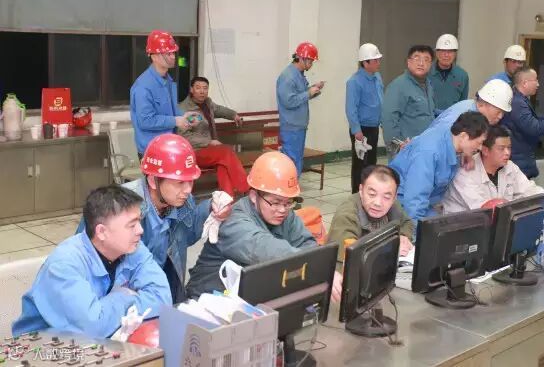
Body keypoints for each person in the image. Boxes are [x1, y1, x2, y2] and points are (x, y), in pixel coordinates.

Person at [77, 134, 224, 303]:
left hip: (161, 291)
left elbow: (185, 237)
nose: (187, 190)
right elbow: (85, 259)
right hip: (120, 299)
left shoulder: (182, 201)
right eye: (179, 183)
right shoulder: (116, 207)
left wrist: (210, 209)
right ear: (153, 181)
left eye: (191, 181)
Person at [13, 186, 171, 338]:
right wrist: (123, 296)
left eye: (139, 222)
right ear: (102, 232)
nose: (140, 230)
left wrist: (106, 309)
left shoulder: (133, 248)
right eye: (132, 225)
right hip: (44, 346)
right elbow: (93, 327)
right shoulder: (64, 265)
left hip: (101, 342)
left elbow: (163, 299)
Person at [186, 152, 319, 298]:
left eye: (288, 202)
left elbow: (308, 244)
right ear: (254, 196)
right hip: (208, 298)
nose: (282, 209)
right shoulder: (233, 220)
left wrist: (315, 262)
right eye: (275, 202)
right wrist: (314, 265)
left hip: (247, 294)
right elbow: (264, 249)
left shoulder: (286, 215)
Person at [389, 112, 489, 239]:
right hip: (401, 205)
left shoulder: (453, 141)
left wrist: (466, 153)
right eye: (479, 143)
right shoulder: (429, 152)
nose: (480, 148)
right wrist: (415, 239)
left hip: (426, 204)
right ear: (464, 136)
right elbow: (414, 202)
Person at [442, 125, 544, 213]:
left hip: (497, 223)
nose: (507, 153)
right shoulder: (465, 172)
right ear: (485, 150)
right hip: (464, 225)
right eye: (501, 148)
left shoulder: (510, 166)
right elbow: (485, 209)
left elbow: (530, 190)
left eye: (509, 147)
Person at [178, 76, 249, 197]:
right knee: (226, 152)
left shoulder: (208, 103)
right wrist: (208, 142)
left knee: (223, 164)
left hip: (211, 151)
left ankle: (226, 200)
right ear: (191, 89)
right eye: (198, 88)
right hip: (195, 152)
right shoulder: (184, 109)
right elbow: (184, 137)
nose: (202, 91)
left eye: (205, 88)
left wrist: (233, 115)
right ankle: (247, 189)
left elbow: (219, 110)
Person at [328, 165, 414, 263]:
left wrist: (403, 236)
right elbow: (350, 254)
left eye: (386, 197)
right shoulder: (347, 214)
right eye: (372, 194)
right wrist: (391, 248)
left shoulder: (393, 205)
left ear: (394, 197)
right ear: (361, 190)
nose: (378, 203)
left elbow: (406, 222)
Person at [130, 29, 195, 156]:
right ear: (154, 56)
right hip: (152, 150)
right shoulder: (143, 86)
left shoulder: (167, 80)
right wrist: (176, 121)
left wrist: (184, 116)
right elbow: (146, 121)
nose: (173, 57)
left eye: (173, 53)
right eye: (168, 53)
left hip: (169, 145)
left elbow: (168, 111)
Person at [276, 42, 325, 176]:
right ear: (301, 58)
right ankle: (289, 188)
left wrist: (314, 89)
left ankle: (293, 187)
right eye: (310, 61)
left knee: (296, 162)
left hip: (298, 127)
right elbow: (289, 101)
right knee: (291, 164)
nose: (311, 64)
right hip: (291, 128)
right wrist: (308, 93)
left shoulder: (298, 74)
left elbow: (300, 96)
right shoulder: (288, 76)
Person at [381, 45, 436, 160]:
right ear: (408, 62)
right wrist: (397, 148)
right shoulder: (398, 86)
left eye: (426, 59)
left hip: (424, 150)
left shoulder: (428, 85)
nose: (421, 63)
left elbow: (429, 113)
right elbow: (388, 120)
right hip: (405, 151)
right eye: (417, 58)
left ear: (431, 64)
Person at [345, 43, 384, 193]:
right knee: (360, 164)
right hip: (362, 130)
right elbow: (351, 109)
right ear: (365, 62)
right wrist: (357, 132)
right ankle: (357, 194)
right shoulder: (354, 82)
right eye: (375, 60)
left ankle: (368, 192)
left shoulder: (377, 77)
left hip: (374, 127)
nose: (378, 63)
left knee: (371, 163)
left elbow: (381, 100)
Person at [428, 79, 513, 131]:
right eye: (498, 111)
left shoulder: (474, 113)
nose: (500, 116)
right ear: (484, 103)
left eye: (503, 112)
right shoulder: (460, 119)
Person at [429, 34, 469, 114]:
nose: (446, 55)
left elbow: (462, 103)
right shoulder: (426, 73)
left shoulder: (462, 75)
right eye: (443, 51)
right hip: (429, 118)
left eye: (450, 51)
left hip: (452, 119)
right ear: (436, 53)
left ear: (455, 54)